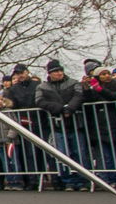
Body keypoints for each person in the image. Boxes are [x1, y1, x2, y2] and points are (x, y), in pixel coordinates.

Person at [35, 59, 87, 191]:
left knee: (79, 153)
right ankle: (68, 180)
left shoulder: (74, 83)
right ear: (50, 73)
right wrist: (59, 108)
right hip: (56, 125)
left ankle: (83, 180)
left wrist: (70, 108)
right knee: (62, 155)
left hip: (75, 123)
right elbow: (40, 101)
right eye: (56, 71)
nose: (59, 73)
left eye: (60, 70)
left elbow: (79, 96)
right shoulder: (43, 87)